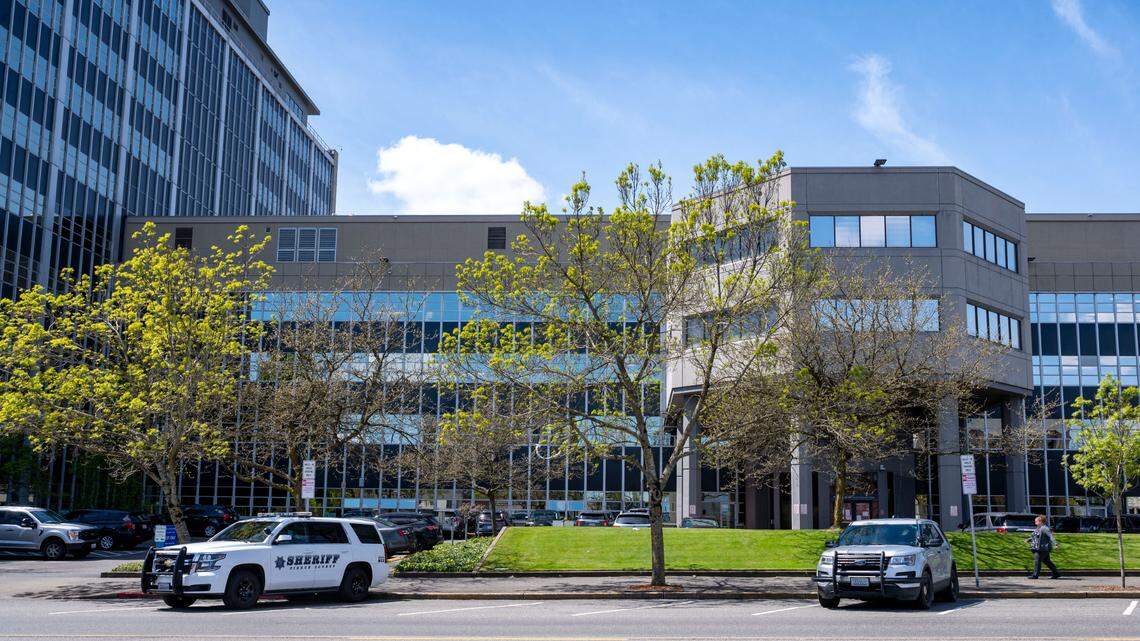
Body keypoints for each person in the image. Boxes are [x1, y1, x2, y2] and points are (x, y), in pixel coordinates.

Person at [1027, 515, 1060, 579]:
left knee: (1037, 561)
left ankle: (1035, 575)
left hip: (1041, 549)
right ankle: (1056, 573)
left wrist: (1055, 544)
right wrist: (1029, 539)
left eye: (1036, 521)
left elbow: (1050, 536)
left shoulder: (1044, 528)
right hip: (1041, 548)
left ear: (1040, 521)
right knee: (1047, 562)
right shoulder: (1039, 528)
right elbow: (1037, 537)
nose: (1035, 523)